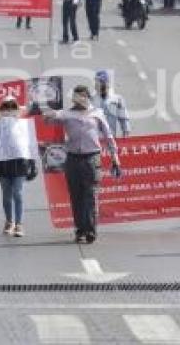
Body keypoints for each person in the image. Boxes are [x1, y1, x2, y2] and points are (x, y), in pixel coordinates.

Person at [44, 85, 120, 244]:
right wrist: (47, 110)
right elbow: (48, 119)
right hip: (72, 158)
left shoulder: (97, 113)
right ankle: (80, 230)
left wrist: (115, 158)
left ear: (87, 97)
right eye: (76, 97)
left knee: (90, 195)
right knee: (76, 195)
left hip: (92, 158)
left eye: (82, 96)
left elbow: (108, 136)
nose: (79, 100)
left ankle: (91, 229)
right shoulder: (67, 113)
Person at [0, 96, 37, 237]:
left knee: (17, 192)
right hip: (2, 161)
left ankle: (19, 224)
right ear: (2, 109)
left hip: (19, 161)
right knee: (6, 194)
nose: (9, 109)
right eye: (6, 107)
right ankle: (9, 221)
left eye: (12, 106)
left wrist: (32, 162)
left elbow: (31, 143)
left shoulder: (23, 123)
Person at [92, 70, 131, 137]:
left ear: (107, 83)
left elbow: (124, 119)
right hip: (93, 141)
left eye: (101, 82)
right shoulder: (91, 100)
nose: (97, 84)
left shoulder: (117, 100)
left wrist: (126, 133)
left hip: (110, 139)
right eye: (97, 81)